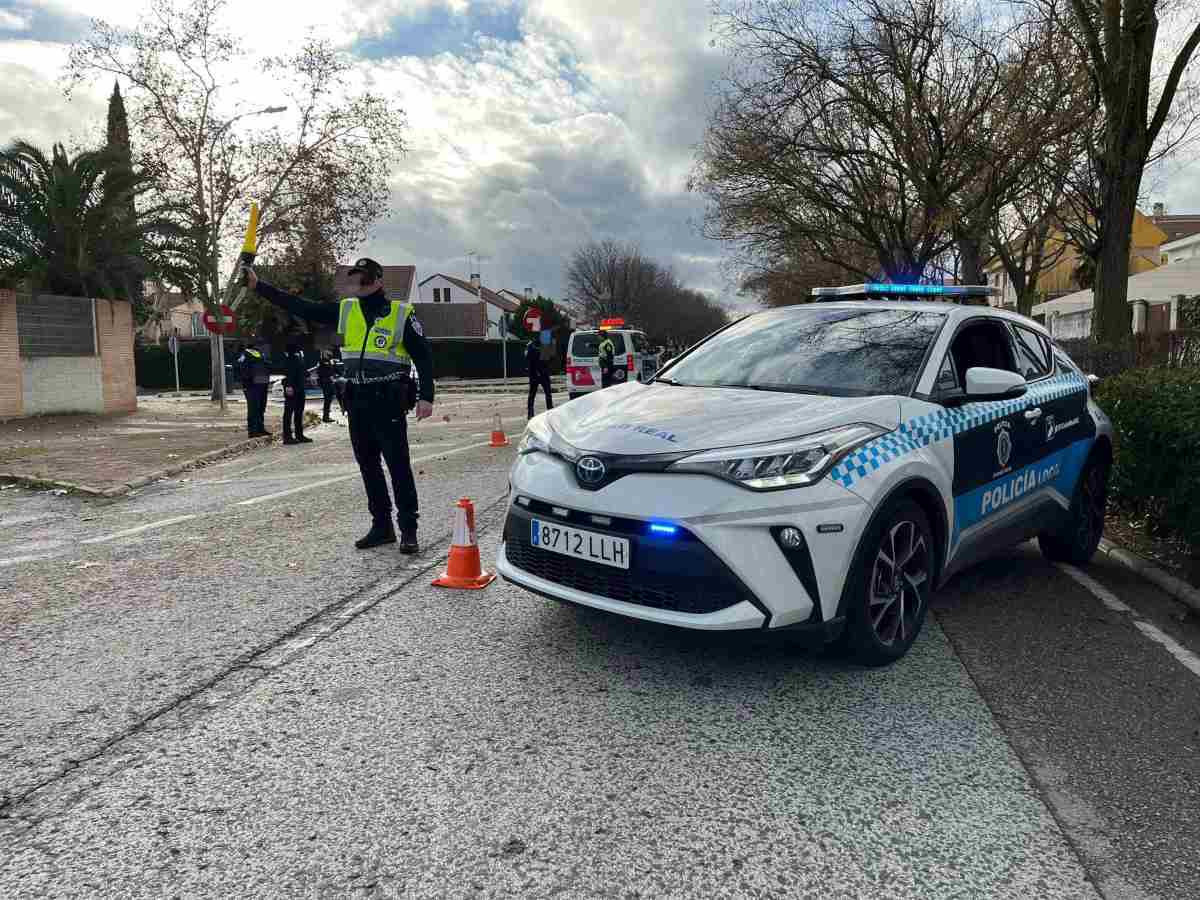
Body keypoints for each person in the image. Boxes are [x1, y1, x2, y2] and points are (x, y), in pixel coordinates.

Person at [244, 258, 434, 553]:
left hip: (388, 401)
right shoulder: (346, 310)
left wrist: (426, 396)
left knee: (398, 467)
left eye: (364, 277)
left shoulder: (401, 314)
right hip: (357, 402)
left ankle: (409, 529)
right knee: (369, 466)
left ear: (378, 281)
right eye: (355, 276)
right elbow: (302, 307)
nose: (358, 282)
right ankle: (381, 526)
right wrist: (260, 287)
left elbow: (423, 356)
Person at [237, 339, 271, 438]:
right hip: (252, 386)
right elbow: (242, 369)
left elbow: (266, 365)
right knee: (253, 408)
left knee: (261, 407)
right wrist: (246, 384)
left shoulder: (259, 353)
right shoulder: (245, 354)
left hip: (262, 383)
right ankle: (253, 431)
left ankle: (260, 428)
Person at [282, 340, 312, 445]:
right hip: (292, 388)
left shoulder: (298, 358)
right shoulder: (290, 358)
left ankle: (299, 435)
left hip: (299, 388)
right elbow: (289, 373)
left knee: (299, 412)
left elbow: (302, 372)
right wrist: (289, 386)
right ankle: (287, 436)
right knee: (289, 412)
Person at [526, 337, 553, 419]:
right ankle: (549, 410)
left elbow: (527, 357)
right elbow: (549, 359)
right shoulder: (544, 346)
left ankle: (530, 413)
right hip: (541, 373)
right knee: (547, 393)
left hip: (535, 374)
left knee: (532, 394)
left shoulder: (530, 346)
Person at [317, 349, 337, 422]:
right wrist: (331, 364)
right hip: (326, 384)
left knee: (329, 400)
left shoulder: (326, 362)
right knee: (327, 400)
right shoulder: (322, 362)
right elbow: (326, 371)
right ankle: (326, 417)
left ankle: (326, 416)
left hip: (328, 383)